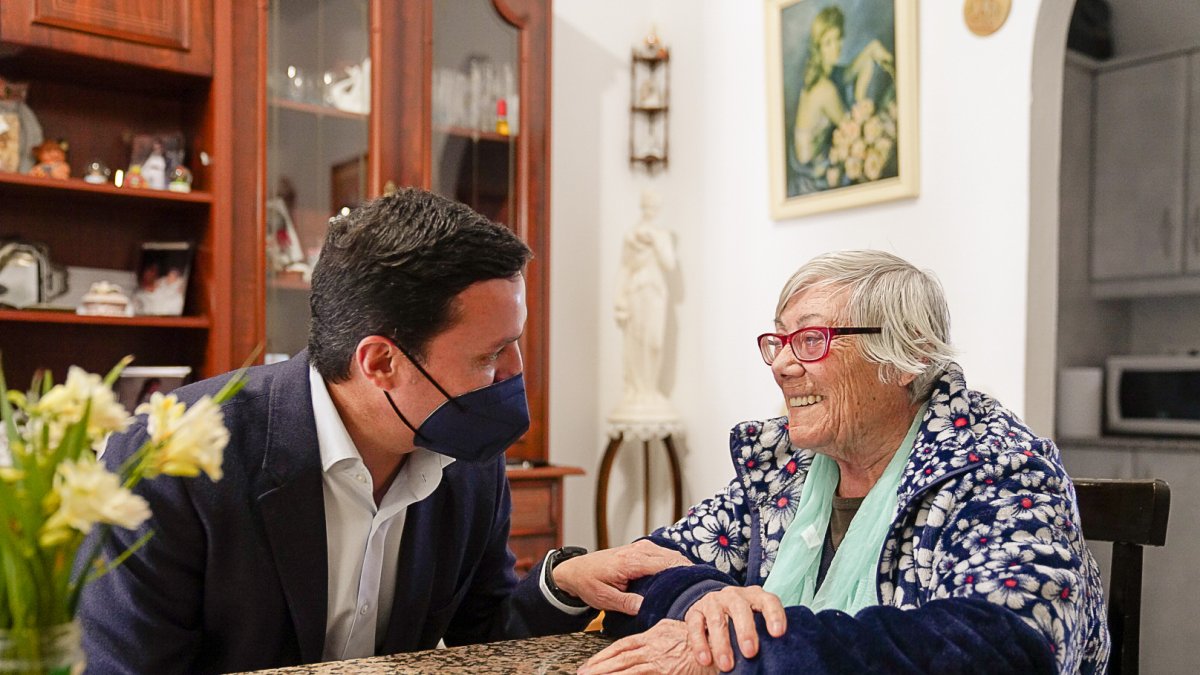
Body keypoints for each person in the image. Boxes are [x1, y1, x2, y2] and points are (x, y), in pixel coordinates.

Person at [80, 187, 685, 673]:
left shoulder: (466, 457)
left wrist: (560, 583)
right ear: (380, 363)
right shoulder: (170, 461)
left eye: (516, 344)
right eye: (489, 356)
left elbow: (483, 637)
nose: (515, 374)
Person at [581, 250, 1109, 674]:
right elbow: (648, 566)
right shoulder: (787, 466)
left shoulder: (998, 467)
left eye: (811, 339)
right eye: (779, 341)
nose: (782, 364)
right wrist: (705, 605)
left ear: (909, 356)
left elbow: (1002, 649)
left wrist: (746, 652)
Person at [790, 6, 894, 194]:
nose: (836, 47)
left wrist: (872, 48)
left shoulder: (828, 74)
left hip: (818, 164)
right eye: (827, 43)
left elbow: (848, 72)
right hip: (813, 175)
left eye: (838, 38)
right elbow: (853, 126)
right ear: (818, 48)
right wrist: (861, 93)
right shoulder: (824, 89)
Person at [612, 189, 676, 415]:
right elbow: (624, 267)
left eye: (655, 205)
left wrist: (656, 241)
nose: (651, 209)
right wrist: (619, 299)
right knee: (636, 342)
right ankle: (638, 390)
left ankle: (650, 388)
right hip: (636, 290)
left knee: (654, 341)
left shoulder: (662, 235)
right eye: (648, 204)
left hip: (655, 291)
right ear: (643, 206)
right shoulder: (631, 236)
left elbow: (669, 263)